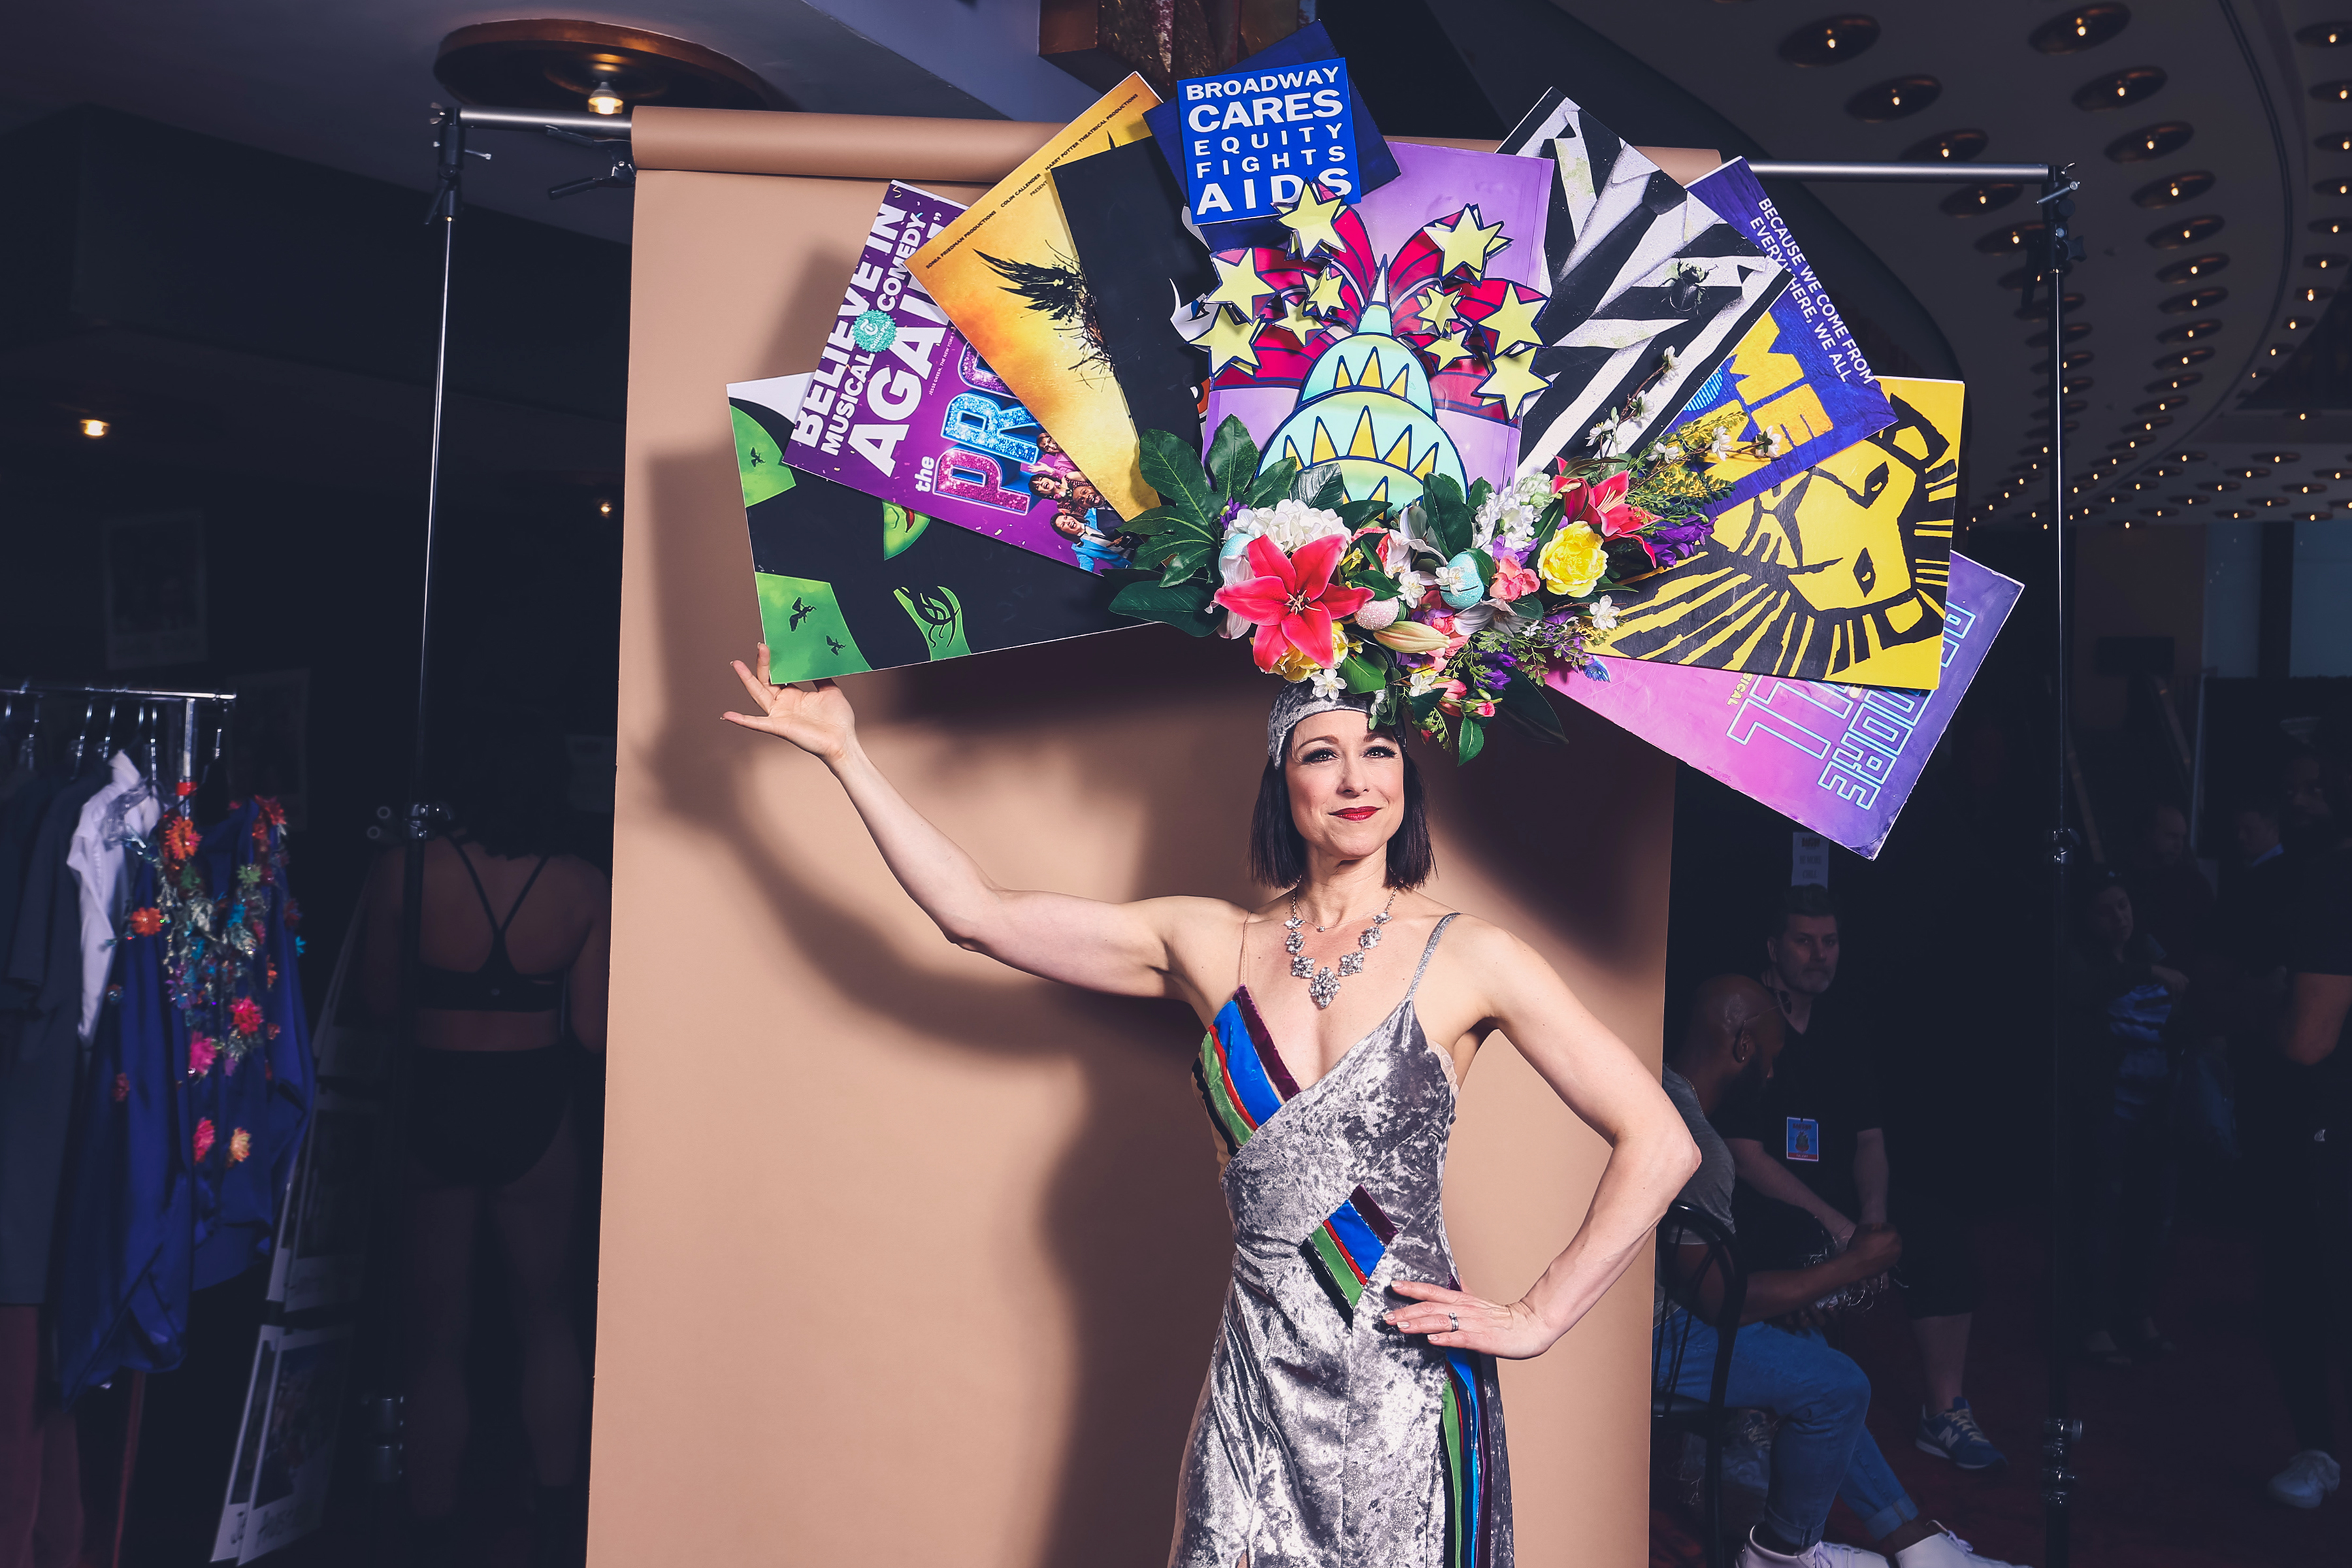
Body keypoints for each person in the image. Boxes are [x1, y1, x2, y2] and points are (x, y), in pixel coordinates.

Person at [723, 647, 1699, 1567]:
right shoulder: (1207, 943)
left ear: (1409, 779)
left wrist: (1537, 1315)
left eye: (1380, 749)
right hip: (1254, 1384)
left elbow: (1659, 1142)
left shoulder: (1475, 956)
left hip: (1402, 1386)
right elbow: (974, 915)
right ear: (1284, 781)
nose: (1356, 778)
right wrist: (847, 754)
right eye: (1324, 753)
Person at [1657, 975, 2022, 1568]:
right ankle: (1783, 1553)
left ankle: (1913, 1542)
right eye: (1770, 1060)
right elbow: (1722, 1303)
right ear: (1744, 1047)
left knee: (1810, 1351)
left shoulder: (1662, 1094)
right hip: (1649, 1336)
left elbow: (1697, 1275)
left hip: (1659, 1309)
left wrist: (1798, 1293)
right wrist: (1852, 1265)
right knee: (1838, 1385)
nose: (1771, 1077)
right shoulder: (1696, 1142)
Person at [361, 725, 612, 1566]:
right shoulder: (582, 887)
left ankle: (429, 1534)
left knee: (436, 1341)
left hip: (435, 1096)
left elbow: (379, 1006)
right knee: (548, 1321)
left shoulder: (404, 870)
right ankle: (556, 1524)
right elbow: (589, 1031)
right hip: (533, 1105)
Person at [1722, 885, 2001, 1472]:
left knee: (1939, 1236)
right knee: (1790, 1242)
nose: (1819, 954)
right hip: (1764, 1201)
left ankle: (1943, 1412)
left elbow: (1870, 1139)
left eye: (1830, 941)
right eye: (1804, 941)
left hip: (1840, 1197)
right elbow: (1744, 1155)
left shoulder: (1844, 1023)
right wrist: (1842, 1228)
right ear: (1774, 947)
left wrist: (1872, 1221)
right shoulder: (1745, 1015)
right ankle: (1751, 1411)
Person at [2265, 720, 2352, 1508]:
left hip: (2327, 1124)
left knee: (2311, 1286)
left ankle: (2320, 1452)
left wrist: (2272, 1007)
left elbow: (2306, 1038)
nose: (2301, 804)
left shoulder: (2329, 882)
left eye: (2316, 787)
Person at [2066, 871, 2186, 1369]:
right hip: (2108, 1109)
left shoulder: (2151, 950)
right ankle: (2092, 1323)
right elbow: (2082, 994)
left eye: (2124, 906)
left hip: (2158, 1109)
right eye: (2106, 910)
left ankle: (2137, 1313)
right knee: (2099, 1215)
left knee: (2153, 1216)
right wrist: (2149, 974)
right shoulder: (2087, 965)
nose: (2119, 919)